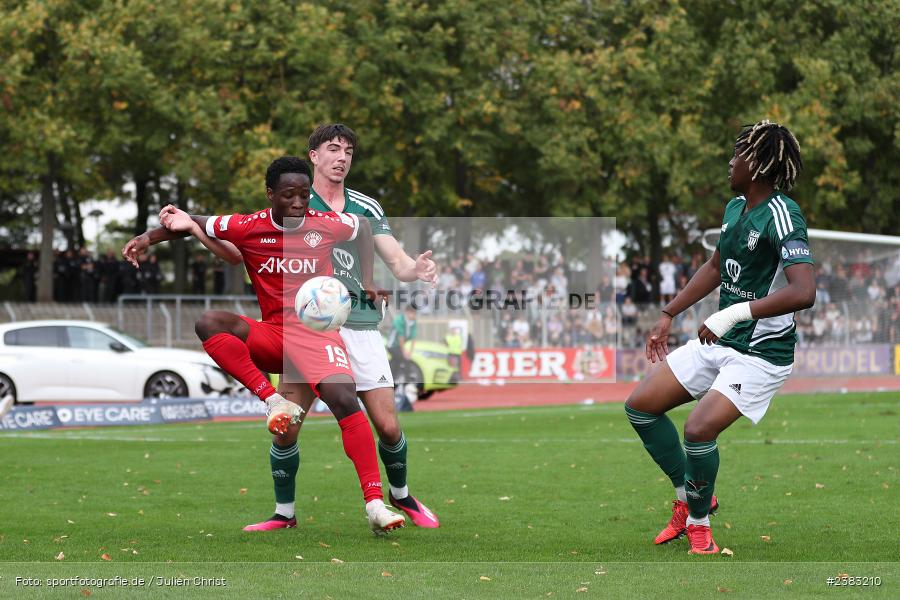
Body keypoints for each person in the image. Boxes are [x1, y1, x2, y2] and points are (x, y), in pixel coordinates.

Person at [122, 156, 405, 534]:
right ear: (271, 194)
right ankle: (272, 404)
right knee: (210, 323)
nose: (299, 202)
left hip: (318, 337)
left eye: (305, 194)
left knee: (343, 398)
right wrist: (147, 239)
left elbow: (364, 228)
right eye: (289, 195)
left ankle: (374, 505)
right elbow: (192, 224)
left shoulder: (327, 224)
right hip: (275, 335)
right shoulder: (247, 226)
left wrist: (367, 280)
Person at [206, 125, 440, 531]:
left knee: (387, 424)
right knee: (286, 428)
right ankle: (284, 513)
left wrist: (410, 271)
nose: (342, 157)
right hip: (306, 331)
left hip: (360, 325)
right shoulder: (292, 195)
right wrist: (197, 229)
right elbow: (244, 244)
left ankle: (401, 496)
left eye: (348, 150)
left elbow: (396, 262)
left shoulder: (365, 206)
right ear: (313, 155)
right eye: (333, 149)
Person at [624, 120, 815, 554]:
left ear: (758, 164)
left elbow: (804, 292)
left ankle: (699, 527)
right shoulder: (734, 209)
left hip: (761, 354)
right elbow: (715, 267)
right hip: (722, 342)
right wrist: (669, 312)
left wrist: (733, 313)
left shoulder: (784, 215)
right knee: (640, 407)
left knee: (697, 429)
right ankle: (691, 497)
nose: (731, 161)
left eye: (738, 154)